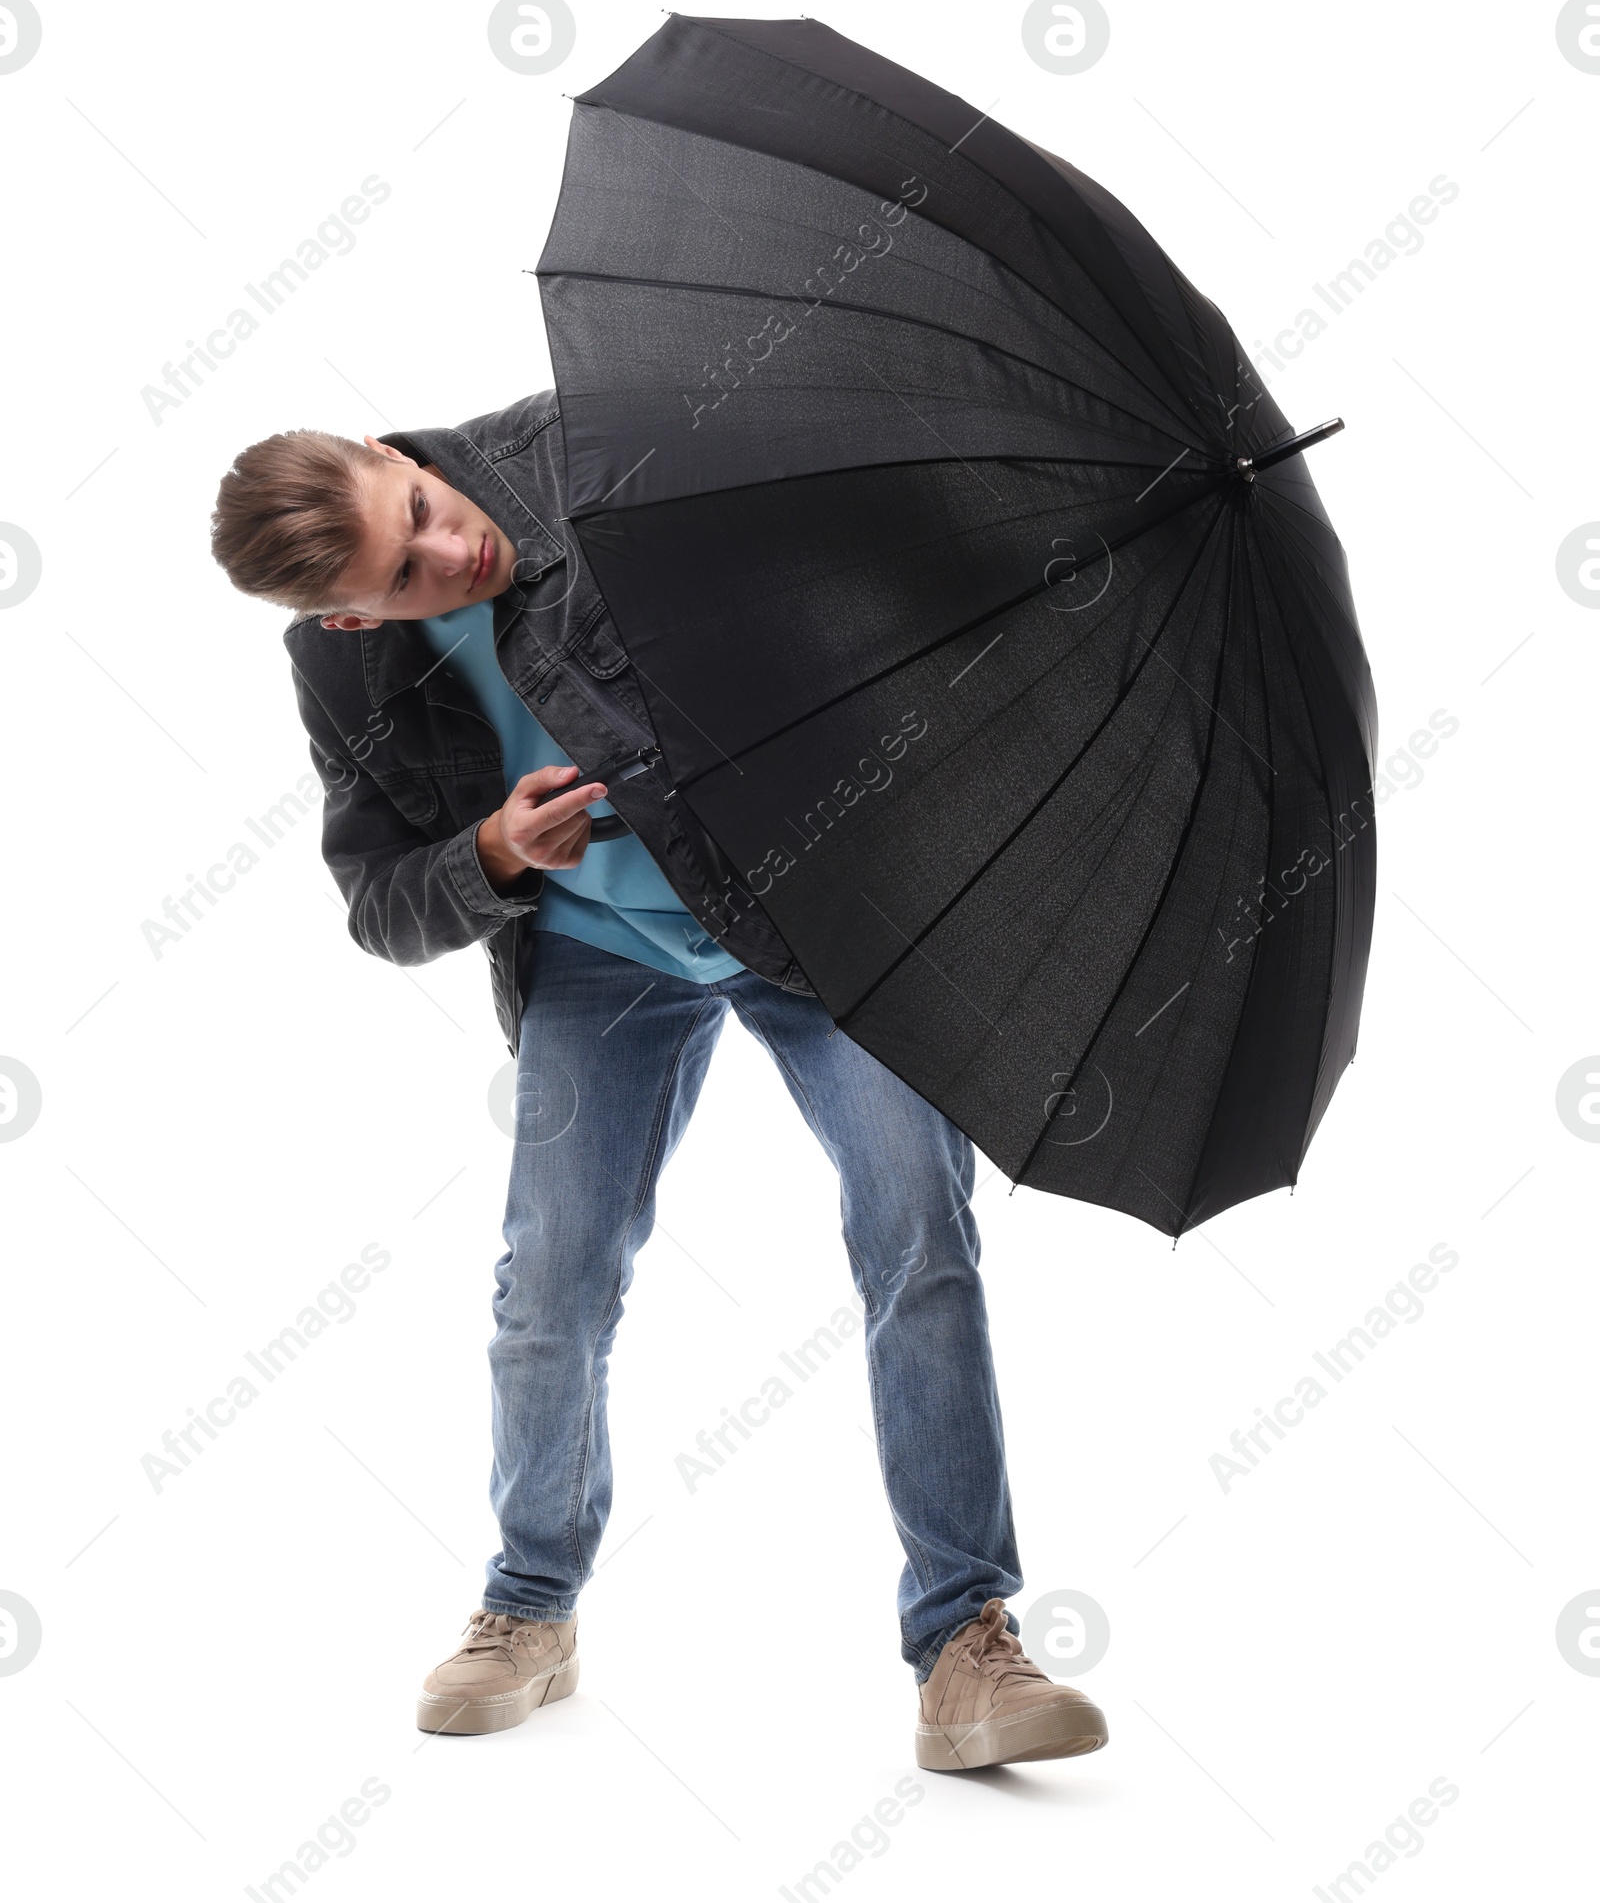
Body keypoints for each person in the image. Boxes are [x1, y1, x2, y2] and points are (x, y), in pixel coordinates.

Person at [209, 390, 1108, 1771]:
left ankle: (965, 1643)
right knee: (550, 1283)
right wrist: (495, 857)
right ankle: (530, 1609)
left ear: (396, 457)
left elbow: (832, 603)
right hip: (595, 956)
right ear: (346, 619)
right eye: (399, 580)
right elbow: (381, 906)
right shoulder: (341, 675)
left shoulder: (595, 447)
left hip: (806, 916)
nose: (447, 560)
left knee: (918, 1231)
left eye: (427, 519)